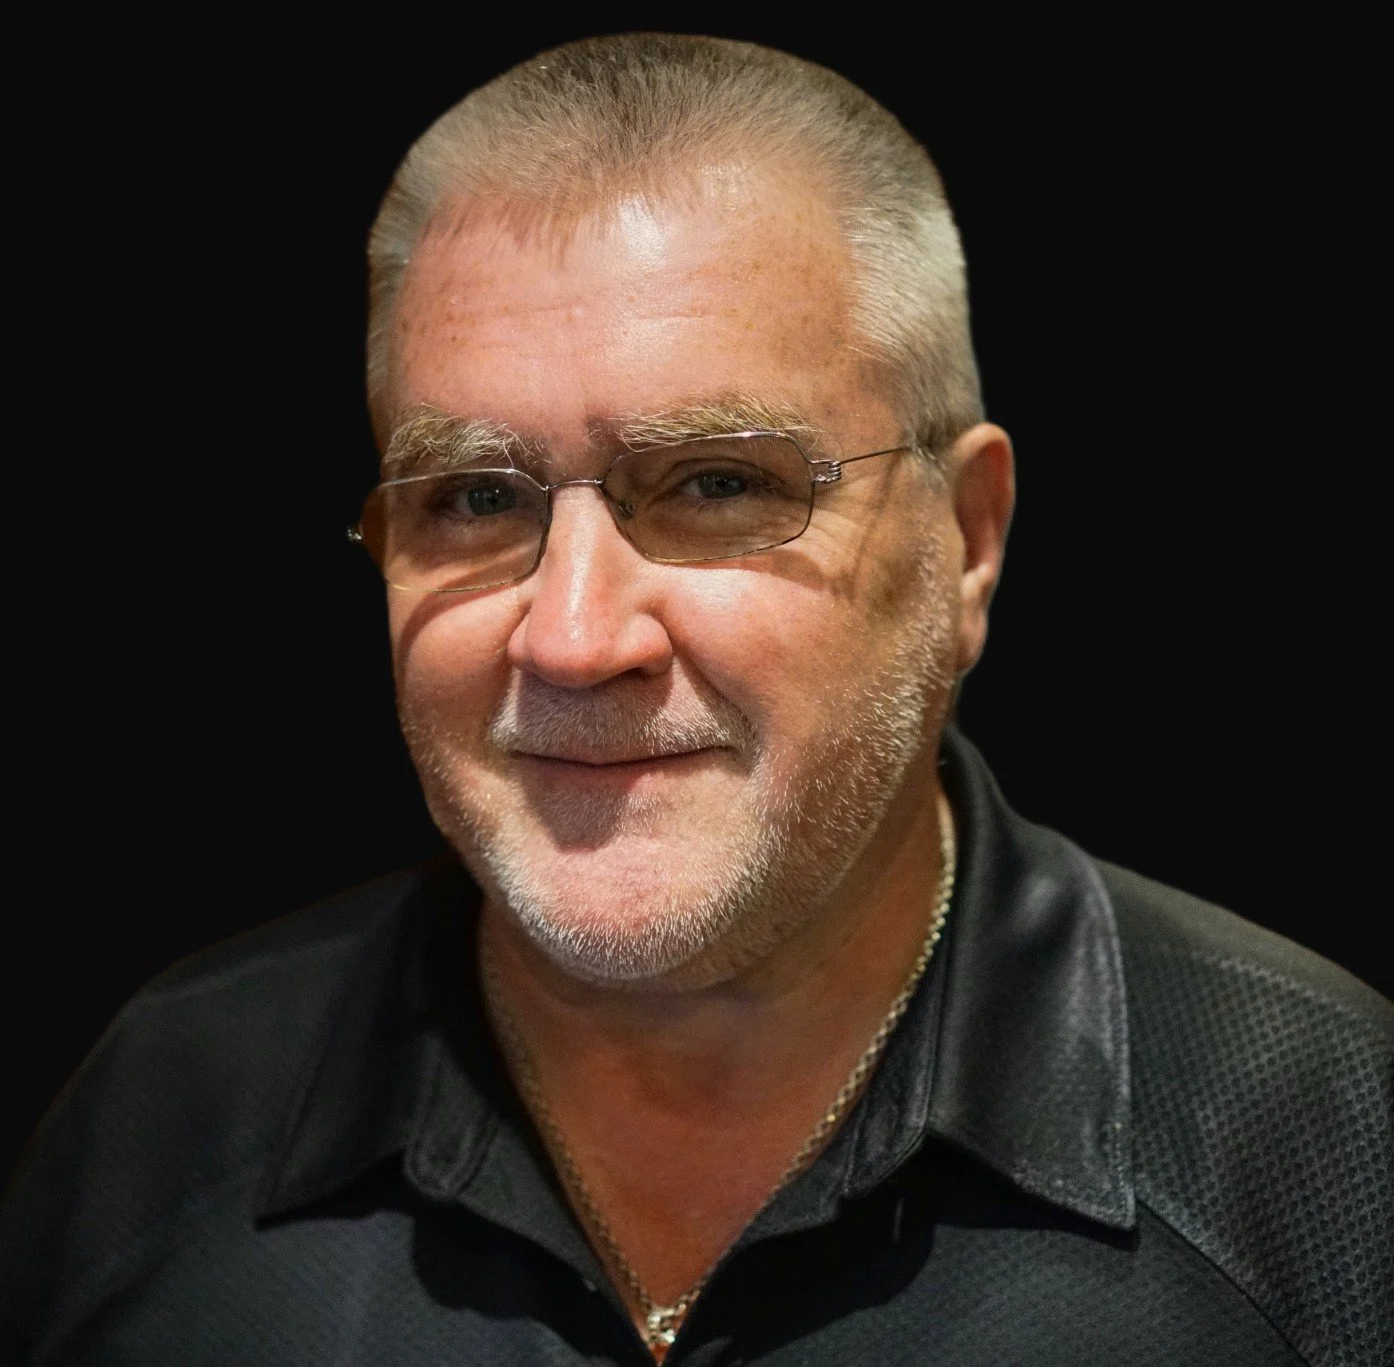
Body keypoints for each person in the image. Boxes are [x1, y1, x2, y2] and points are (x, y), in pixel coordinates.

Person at [2, 33, 1389, 1367]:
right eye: (475, 498)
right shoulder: (163, 1128)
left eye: (716, 484)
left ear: (965, 540)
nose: (573, 637)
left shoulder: (1330, 1163)